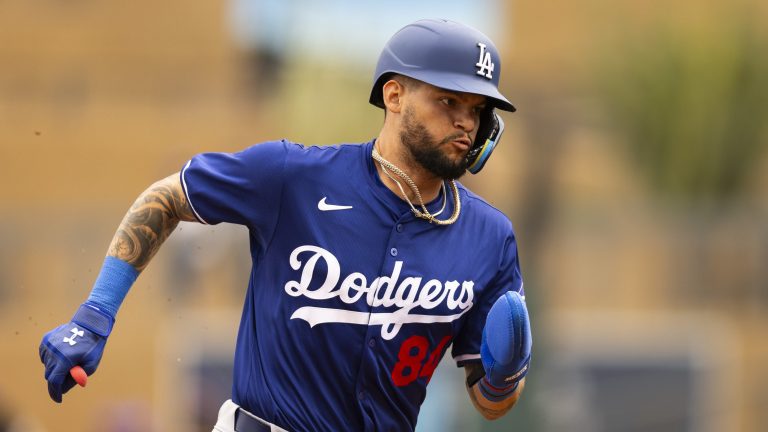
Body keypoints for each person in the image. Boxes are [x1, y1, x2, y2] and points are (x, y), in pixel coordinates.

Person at [39, 18, 532, 432]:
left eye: (476, 109)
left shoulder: (489, 237)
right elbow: (167, 197)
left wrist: (505, 376)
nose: (466, 122)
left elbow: (490, 405)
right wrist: (94, 315)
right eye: (448, 101)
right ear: (395, 95)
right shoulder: (292, 176)